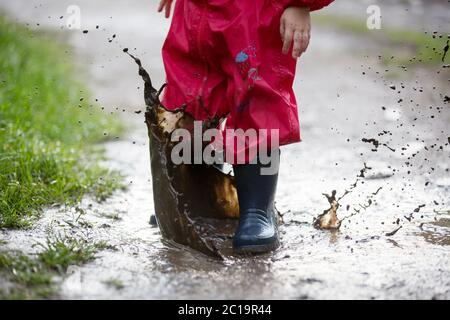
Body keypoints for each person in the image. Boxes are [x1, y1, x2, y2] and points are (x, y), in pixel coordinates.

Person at [157, 0, 334, 254]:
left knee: (256, 98)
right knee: (188, 94)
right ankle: (194, 195)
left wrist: (300, 3)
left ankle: (257, 209)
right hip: (195, 11)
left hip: (257, 13)